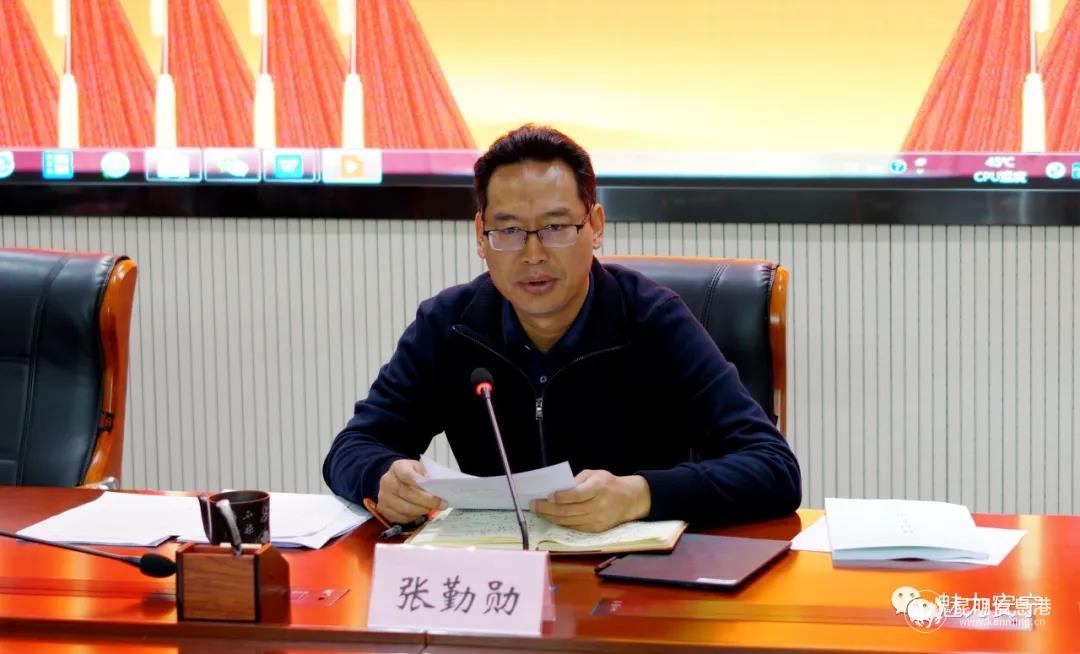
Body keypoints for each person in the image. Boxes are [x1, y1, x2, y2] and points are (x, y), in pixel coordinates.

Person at [323, 124, 801, 532]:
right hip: (501, 577)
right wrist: (381, 476)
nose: (533, 254)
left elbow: (773, 468)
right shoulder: (450, 325)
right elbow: (353, 447)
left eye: (555, 227)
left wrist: (640, 494)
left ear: (595, 226)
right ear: (481, 237)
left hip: (634, 581)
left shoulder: (654, 320)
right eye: (509, 230)